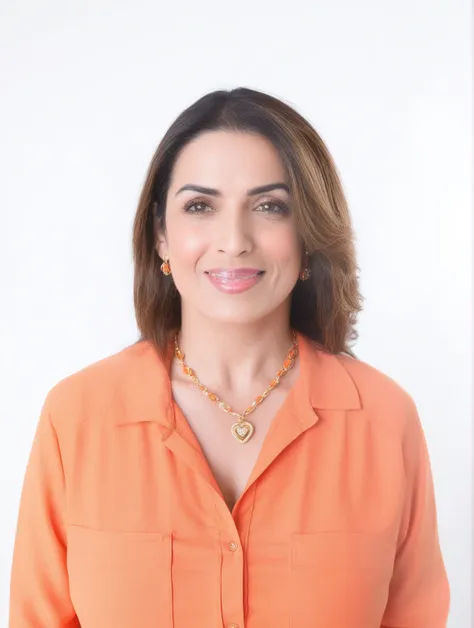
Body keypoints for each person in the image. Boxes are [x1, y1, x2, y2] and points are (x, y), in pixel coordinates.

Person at [9, 87, 450, 628]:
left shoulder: (384, 418)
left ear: (309, 235)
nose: (235, 240)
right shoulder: (77, 415)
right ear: (161, 237)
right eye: (200, 206)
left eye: (269, 206)